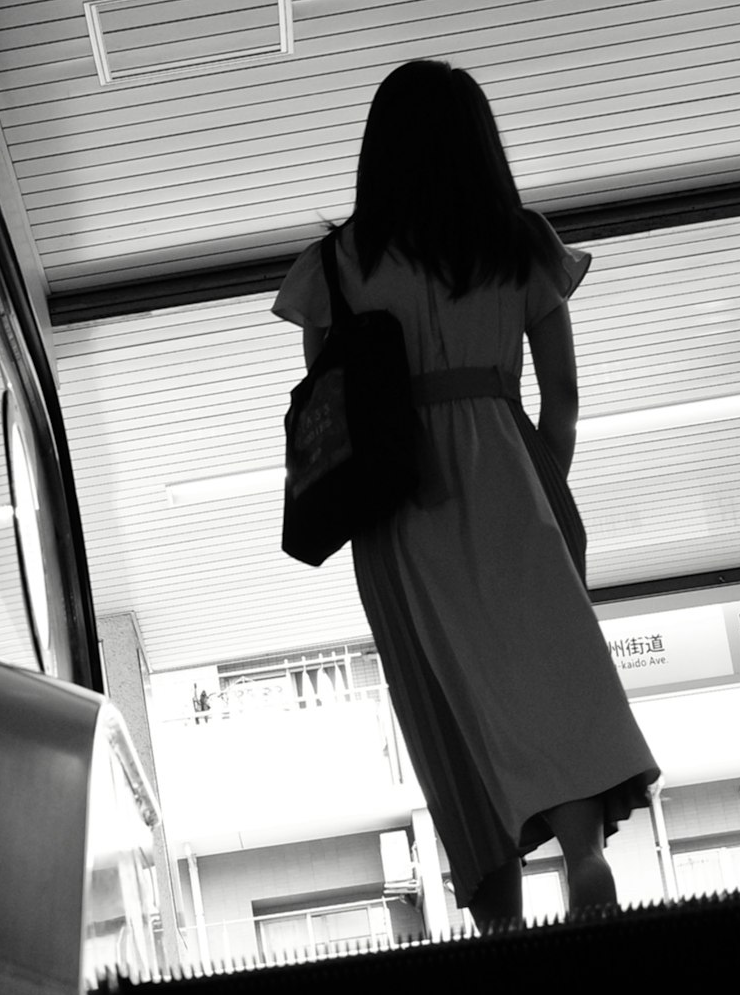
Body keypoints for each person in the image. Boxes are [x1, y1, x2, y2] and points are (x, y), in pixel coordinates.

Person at [276, 62, 657, 930]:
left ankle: (497, 913)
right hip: (511, 470)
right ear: (480, 145)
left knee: (443, 690)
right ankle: (585, 852)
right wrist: (538, 483)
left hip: (399, 503)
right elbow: (561, 396)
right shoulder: (518, 244)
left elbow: (334, 410)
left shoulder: (335, 267)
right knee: (550, 672)